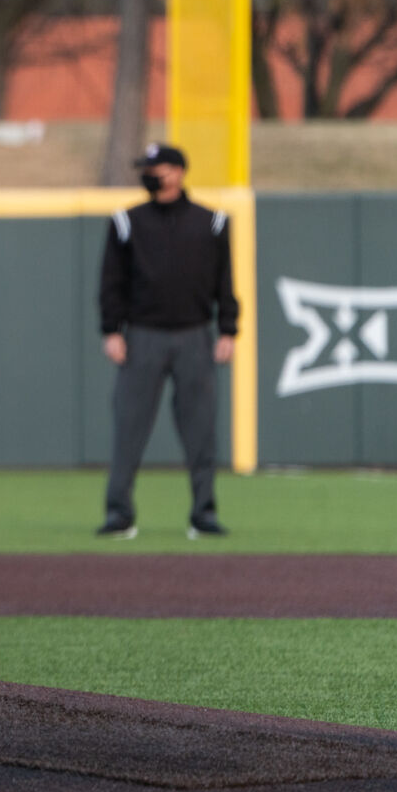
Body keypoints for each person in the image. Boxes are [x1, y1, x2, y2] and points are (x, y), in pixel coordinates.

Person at [97, 143, 238, 541]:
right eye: (146, 168)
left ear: (176, 171)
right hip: (143, 335)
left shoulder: (211, 223)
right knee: (129, 425)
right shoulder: (127, 221)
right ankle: (119, 513)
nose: (149, 174)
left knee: (201, 429)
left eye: (156, 168)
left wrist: (228, 328)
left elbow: (225, 281)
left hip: (194, 334)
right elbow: (112, 282)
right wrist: (112, 330)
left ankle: (203, 513)